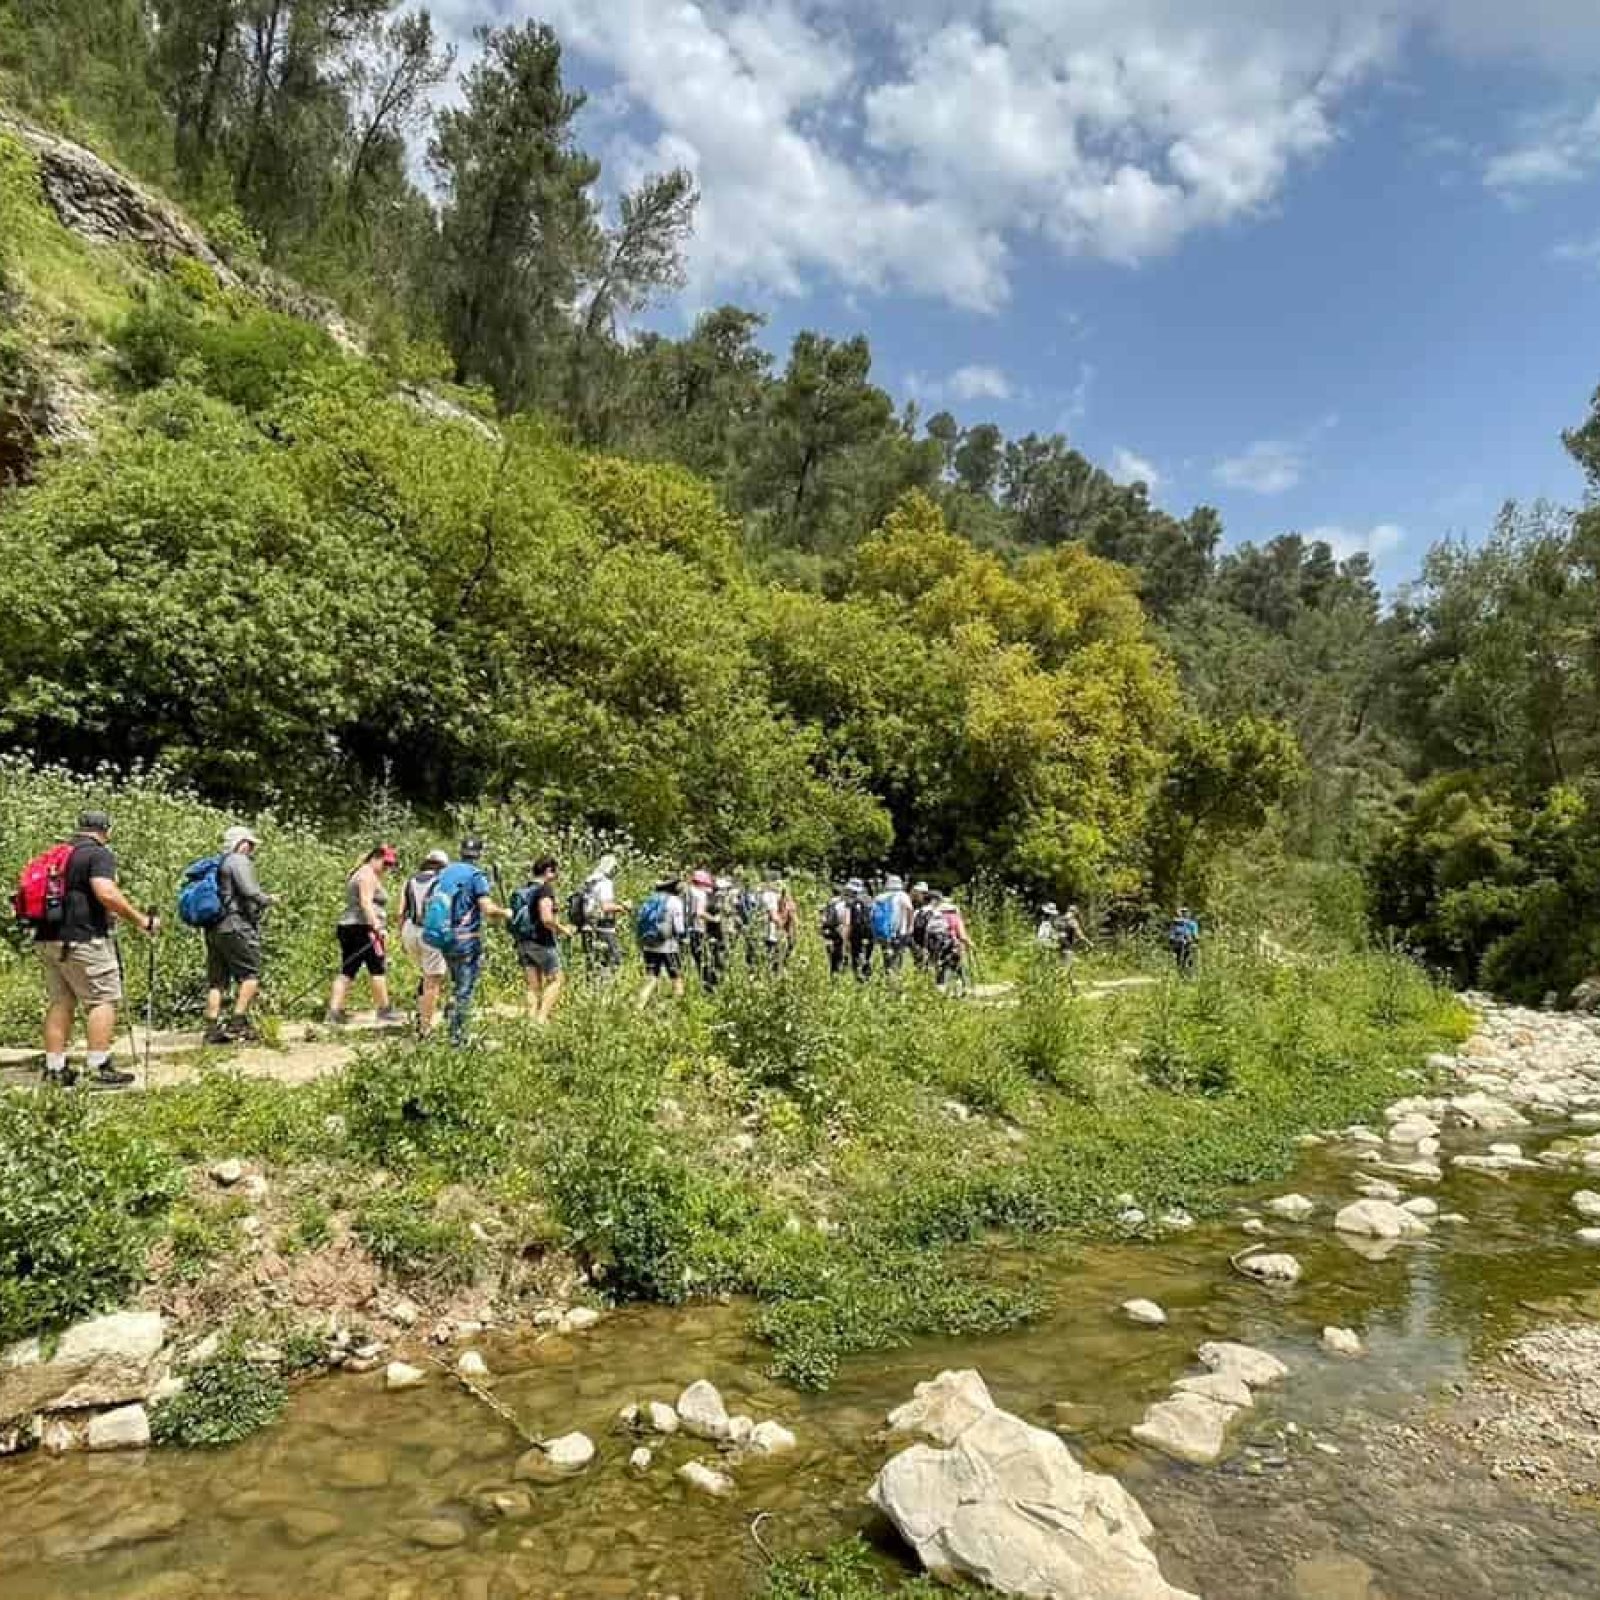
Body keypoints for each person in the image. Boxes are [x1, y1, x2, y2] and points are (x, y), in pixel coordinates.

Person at [33, 810, 157, 1088]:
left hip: (48, 937)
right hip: (82, 939)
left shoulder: (60, 853)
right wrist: (142, 920)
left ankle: (55, 1070)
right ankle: (98, 1067)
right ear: (106, 830)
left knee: (61, 1002)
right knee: (102, 999)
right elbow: (105, 892)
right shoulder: (99, 854)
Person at [431, 837, 509, 1046]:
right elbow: (487, 909)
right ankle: (458, 1039)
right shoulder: (476, 876)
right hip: (467, 939)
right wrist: (505, 912)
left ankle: (451, 1019)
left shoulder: (446, 872)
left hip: (445, 937)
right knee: (465, 990)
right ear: (479, 854)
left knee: (456, 983)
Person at [204, 825, 274, 1045]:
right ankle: (238, 1023)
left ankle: (212, 1029)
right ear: (241, 843)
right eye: (251, 844)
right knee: (250, 975)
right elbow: (250, 892)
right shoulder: (238, 860)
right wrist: (268, 900)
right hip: (236, 925)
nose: (252, 849)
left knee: (217, 981)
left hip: (214, 927)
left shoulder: (218, 863)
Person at [327, 846, 403, 1025]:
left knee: (348, 970)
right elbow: (366, 902)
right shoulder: (367, 875)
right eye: (386, 863)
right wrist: (377, 926)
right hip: (364, 928)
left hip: (349, 926)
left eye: (390, 865)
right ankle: (384, 1010)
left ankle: (334, 1012)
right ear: (375, 858)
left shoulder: (361, 872)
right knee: (377, 968)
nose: (387, 868)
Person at [512, 856, 571, 1023]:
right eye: (556, 871)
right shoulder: (544, 890)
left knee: (533, 985)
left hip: (523, 941)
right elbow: (546, 919)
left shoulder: (526, 889)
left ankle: (531, 1020)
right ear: (548, 871)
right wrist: (562, 929)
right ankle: (541, 1019)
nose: (557, 875)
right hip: (541, 942)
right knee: (557, 980)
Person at [400, 848, 450, 1036]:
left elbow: (401, 912)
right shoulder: (441, 883)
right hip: (431, 933)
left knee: (425, 974)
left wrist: (401, 937)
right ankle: (425, 1028)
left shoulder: (409, 882)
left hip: (410, 930)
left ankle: (421, 1014)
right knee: (432, 981)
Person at [636, 876, 687, 1008]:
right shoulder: (675, 901)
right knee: (676, 978)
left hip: (649, 945)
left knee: (651, 978)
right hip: (668, 946)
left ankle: (638, 1007)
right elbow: (679, 927)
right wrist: (683, 938)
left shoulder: (650, 899)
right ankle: (675, 1009)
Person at [574, 853, 627, 978]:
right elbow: (606, 907)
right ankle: (605, 991)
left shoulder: (590, 881)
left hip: (587, 926)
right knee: (612, 961)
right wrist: (623, 907)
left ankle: (592, 990)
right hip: (603, 927)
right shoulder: (605, 883)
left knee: (592, 962)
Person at [874, 874, 915, 976]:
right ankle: (895, 980)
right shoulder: (903, 895)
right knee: (897, 957)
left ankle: (888, 976)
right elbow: (910, 909)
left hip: (883, 933)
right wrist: (910, 926)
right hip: (899, 932)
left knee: (887, 956)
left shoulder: (880, 897)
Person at [685, 869, 714, 985]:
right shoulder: (700, 894)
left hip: (684, 929)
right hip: (697, 930)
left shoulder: (686, 892)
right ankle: (707, 986)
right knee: (703, 961)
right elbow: (699, 912)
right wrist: (714, 919)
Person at [705, 876, 734, 988]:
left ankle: (718, 983)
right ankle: (715, 984)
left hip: (722, 934)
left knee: (721, 959)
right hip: (717, 935)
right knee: (718, 959)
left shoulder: (715, 899)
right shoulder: (714, 901)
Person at [819, 883, 852, 978]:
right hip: (846, 933)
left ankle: (834, 976)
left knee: (834, 958)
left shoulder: (832, 903)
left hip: (834, 933)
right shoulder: (847, 903)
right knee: (845, 956)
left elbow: (827, 920)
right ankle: (843, 974)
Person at [1168, 906, 1200, 977]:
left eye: (1185, 912)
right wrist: (1196, 940)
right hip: (1182, 943)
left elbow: (1172, 934)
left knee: (1181, 958)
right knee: (1185, 957)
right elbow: (1195, 935)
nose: (1184, 913)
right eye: (1183, 912)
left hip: (1182, 943)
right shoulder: (1190, 923)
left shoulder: (1176, 923)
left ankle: (1183, 972)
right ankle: (1185, 973)